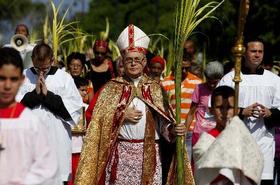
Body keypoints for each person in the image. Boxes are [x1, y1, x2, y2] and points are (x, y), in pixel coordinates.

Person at [75, 24, 194, 185]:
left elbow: (163, 124)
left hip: (151, 156)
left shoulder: (156, 89)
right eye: (128, 60)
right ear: (122, 62)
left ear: (144, 61)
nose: (133, 63)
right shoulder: (111, 88)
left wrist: (173, 129)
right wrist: (120, 115)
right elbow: (95, 123)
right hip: (120, 156)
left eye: (137, 60)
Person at [16, 43, 83, 184]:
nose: (41, 72)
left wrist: (47, 96)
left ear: (52, 60)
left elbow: (73, 112)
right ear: (32, 59)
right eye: (37, 68)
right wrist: (35, 95)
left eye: (45, 68)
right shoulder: (23, 77)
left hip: (56, 142)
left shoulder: (64, 78)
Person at [219, 38, 280, 185]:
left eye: (260, 51)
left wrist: (270, 113)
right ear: (244, 53)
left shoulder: (274, 80)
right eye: (253, 51)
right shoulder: (230, 79)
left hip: (264, 144)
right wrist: (241, 111)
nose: (257, 55)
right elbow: (217, 109)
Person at [0, 47, 59, 184]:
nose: (7, 85)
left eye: (13, 79)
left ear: (21, 80)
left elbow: (46, 168)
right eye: (2, 78)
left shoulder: (32, 123)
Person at [193, 86, 264, 185]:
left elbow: (255, 162)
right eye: (220, 107)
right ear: (211, 110)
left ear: (237, 110)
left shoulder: (243, 138)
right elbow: (203, 174)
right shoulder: (204, 142)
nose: (225, 112)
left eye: (230, 107)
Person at [161, 51, 202, 159]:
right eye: (181, 68)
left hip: (191, 131)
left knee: (188, 167)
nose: (184, 71)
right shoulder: (165, 83)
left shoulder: (197, 83)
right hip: (173, 132)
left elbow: (200, 108)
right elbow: (164, 110)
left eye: (187, 68)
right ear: (175, 65)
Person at [185, 61, 224, 147]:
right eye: (209, 82)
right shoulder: (199, 88)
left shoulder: (223, 90)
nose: (212, 85)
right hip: (199, 134)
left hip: (218, 134)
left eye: (215, 82)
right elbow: (191, 113)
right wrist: (184, 133)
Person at [69, 76, 89, 185]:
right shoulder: (62, 106)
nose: (85, 93)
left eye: (86, 90)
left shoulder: (87, 107)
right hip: (67, 150)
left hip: (81, 150)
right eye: (82, 90)